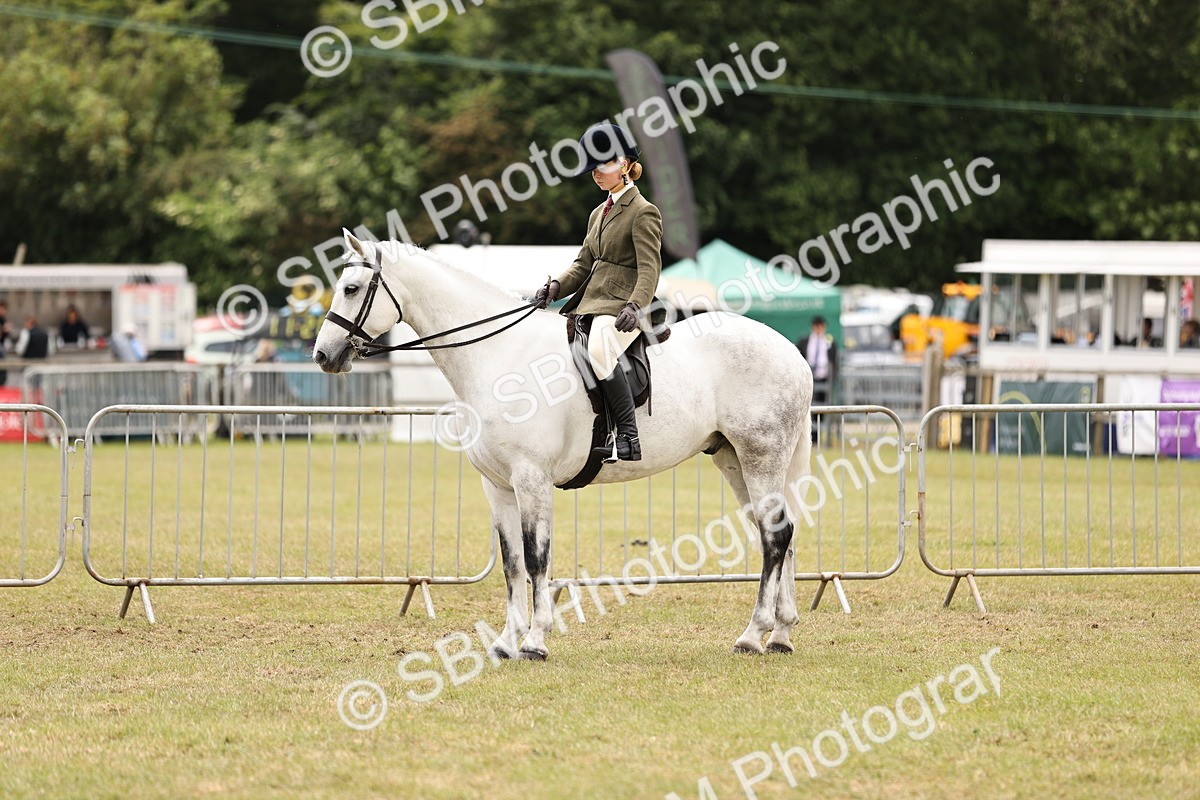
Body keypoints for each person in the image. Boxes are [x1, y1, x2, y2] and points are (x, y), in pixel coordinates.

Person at [534, 122, 663, 462]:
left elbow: (650, 267)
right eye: (591, 168)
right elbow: (583, 264)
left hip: (622, 307)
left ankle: (629, 437)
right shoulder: (597, 214)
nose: (595, 173)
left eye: (602, 165)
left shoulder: (643, 211)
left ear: (624, 165)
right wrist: (556, 287)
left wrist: (636, 305)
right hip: (592, 303)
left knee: (601, 349)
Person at [798, 316, 837, 402]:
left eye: (821, 326)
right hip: (808, 376)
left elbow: (834, 360)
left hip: (824, 377)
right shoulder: (804, 341)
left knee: (823, 401)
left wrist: (833, 376)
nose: (818, 328)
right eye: (816, 326)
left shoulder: (829, 341)